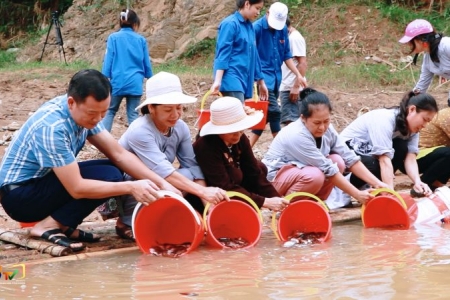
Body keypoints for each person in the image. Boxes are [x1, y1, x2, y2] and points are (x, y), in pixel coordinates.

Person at [0, 69, 179, 251]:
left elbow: (119, 154)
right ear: (71, 103)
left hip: (41, 183)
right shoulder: (52, 128)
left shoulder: (83, 111)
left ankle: (63, 225)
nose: (99, 119)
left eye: (104, 113)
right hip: (20, 197)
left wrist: (161, 183)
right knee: (109, 176)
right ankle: (46, 226)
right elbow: (76, 188)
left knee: (114, 169)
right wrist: (131, 187)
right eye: (93, 113)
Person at [116, 72, 229, 239]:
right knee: (150, 183)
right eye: (168, 110)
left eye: (179, 108)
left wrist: (208, 207)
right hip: (130, 183)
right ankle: (125, 221)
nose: (175, 115)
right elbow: (162, 171)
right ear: (151, 108)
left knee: (188, 174)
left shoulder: (180, 127)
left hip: (161, 180)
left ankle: (163, 215)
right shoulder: (140, 131)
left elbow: (192, 165)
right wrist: (203, 192)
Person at [262, 88, 387, 204]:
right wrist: (357, 194)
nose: (322, 127)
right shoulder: (297, 135)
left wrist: (378, 184)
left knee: (338, 161)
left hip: (301, 173)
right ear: (303, 118)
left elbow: (350, 158)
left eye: (326, 121)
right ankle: (287, 206)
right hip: (273, 182)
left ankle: (316, 203)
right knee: (315, 175)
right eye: (317, 123)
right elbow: (328, 170)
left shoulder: (328, 129)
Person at [193, 97, 289, 212]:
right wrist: (265, 202)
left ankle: (249, 205)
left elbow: (254, 172)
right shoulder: (206, 147)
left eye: (241, 129)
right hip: (212, 194)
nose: (238, 135)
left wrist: (276, 198)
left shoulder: (240, 139)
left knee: (260, 167)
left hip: (234, 184)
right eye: (232, 131)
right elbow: (225, 186)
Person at [340, 91, 439, 197]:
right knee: (372, 166)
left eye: (428, 122)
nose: (424, 125)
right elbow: (384, 161)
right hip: (347, 154)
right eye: (424, 119)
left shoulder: (413, 129)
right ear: (412, 109)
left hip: (369, 155)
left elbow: (410, 158)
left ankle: (377, 188)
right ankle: (345, 187)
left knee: (401, 147)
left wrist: (417, 181)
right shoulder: (384, 119)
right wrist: (390, 192)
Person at [248, 2, 307, 147]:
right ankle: (283, 148)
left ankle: (245, 152)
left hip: (276, 79)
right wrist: (258, 80)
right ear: (267, 13)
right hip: (261, 80)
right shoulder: (256, 29)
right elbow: (250, 56)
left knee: (265, 116)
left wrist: (298, 74)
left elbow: (286, 55)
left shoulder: (282, 30)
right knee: (275, 112)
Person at [101, 8, 153, 132]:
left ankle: (104, 143)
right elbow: (146, 62)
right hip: (135, 83)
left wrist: (104, 77)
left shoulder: (113, 38)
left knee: (110, 111)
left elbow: (109, 60)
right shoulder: (141, 40)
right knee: (133, 115)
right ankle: (137, 143)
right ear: (135, 23)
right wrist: (151, 77)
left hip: (117, 82)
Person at [210, 0, 268, 102]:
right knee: (238, 114)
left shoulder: (249, 27)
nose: (258, 13)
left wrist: (261, 82)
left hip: (244, 79)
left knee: (240, 114)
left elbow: (254, 55)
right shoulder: (230, 24)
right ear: (247, 4)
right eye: (257, 8)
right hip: (231, 79)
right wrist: (218, 81)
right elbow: (223, 53)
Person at [398, 19, 450, 105]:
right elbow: (421, 86)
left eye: (411, 41)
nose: (409, 44)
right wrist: (408, 103)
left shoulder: (446, 45)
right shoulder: (428, 59)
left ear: (422, 41)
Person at [280, 16, 307, 126]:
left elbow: (303, 63)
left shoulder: (294, 38)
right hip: (287, 86)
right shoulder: (289, 37)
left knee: (291, 123)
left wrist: (296, 87)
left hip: (291, 88)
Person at [415, 107, 450, 192]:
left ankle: (434, 185)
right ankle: (422, 185)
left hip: (436, 153)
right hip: (418, 156)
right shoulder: (447, 115)